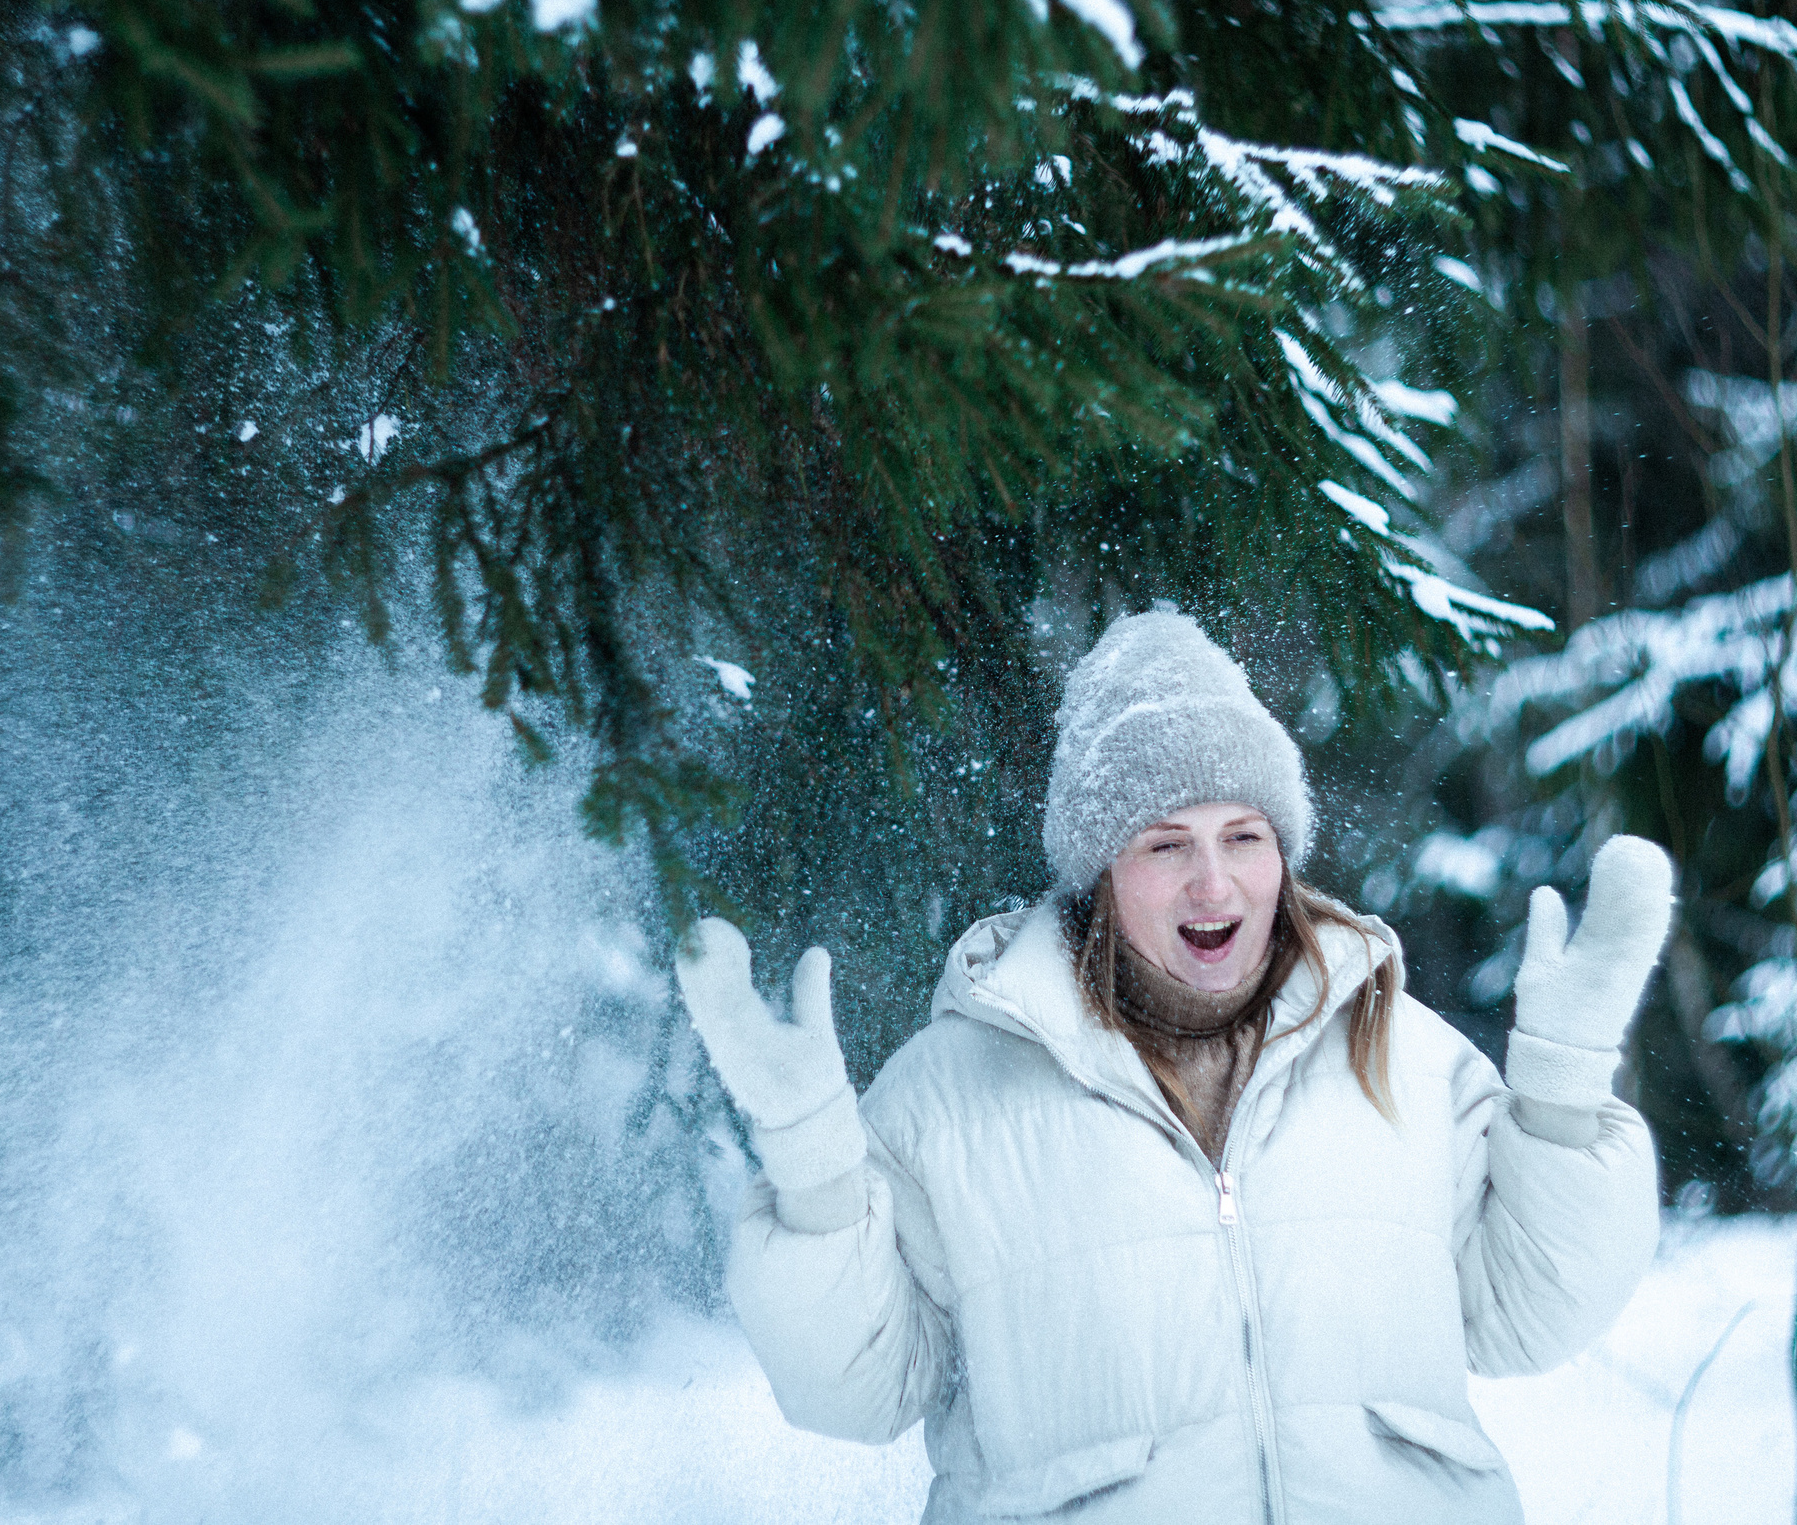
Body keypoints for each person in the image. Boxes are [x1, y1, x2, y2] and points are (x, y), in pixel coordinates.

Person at [677, 610, 1670, 1523]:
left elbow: (1529, 1319)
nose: (1214, 880)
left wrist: (1563, 1092)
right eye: (1164, 844)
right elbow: (860, 1390)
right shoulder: (948, 1098)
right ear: (1101, 874)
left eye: (1244, 836)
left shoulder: (1405, 1057)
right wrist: (812, 1172)